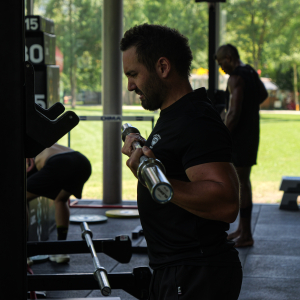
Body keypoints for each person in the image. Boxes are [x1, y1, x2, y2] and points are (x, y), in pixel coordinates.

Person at [120, 24, 242, 300]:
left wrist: (155, 180)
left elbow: (225, 202)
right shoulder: (175, 116)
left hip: (196, 272)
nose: (130, 85)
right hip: (177, 270)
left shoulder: (195, 120)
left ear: (163, 67)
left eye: (133, 74)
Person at [215, 44, 268, 248]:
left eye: (222, 64)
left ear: (229, 58)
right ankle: (242, 230)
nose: (222, 69)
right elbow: (262, 95)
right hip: (251, 134)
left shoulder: (236, 78)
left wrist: (223, 137)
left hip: (240, 138)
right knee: (243, 183)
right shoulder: (251, 72)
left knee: (242, 184)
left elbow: (234, 113)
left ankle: (246, 235)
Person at [26, 143, 92, 263]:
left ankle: (23, 253)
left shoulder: (25, 152)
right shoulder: (42, 145)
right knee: (61, 199)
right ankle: (61, 250)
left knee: (20, 197)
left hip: (60, 162)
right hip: (82, 162)